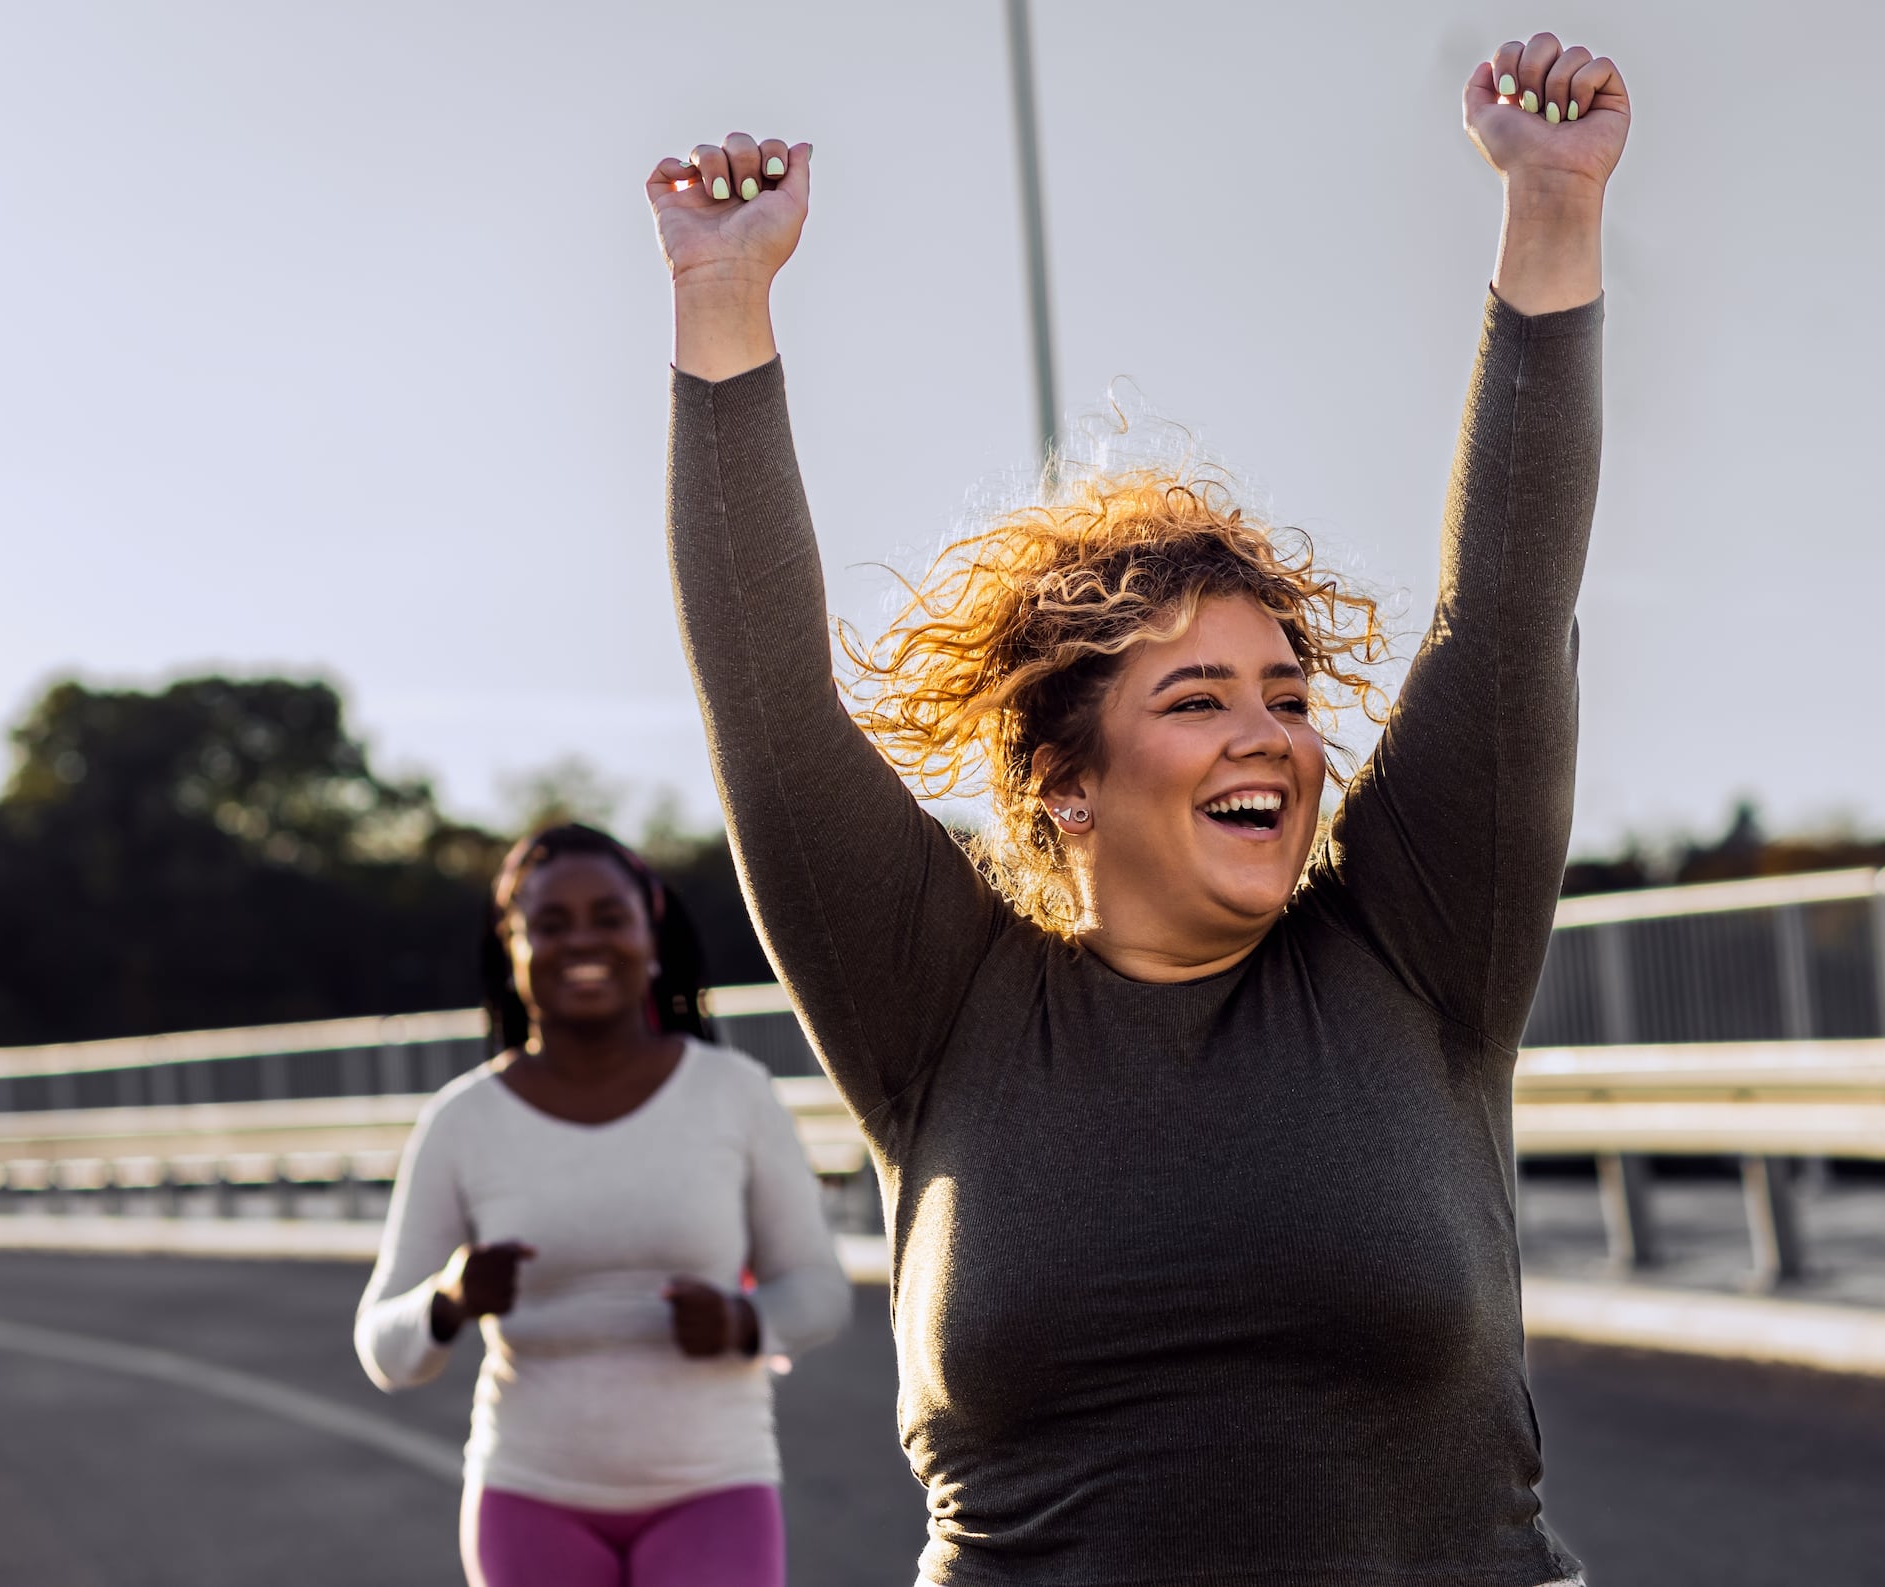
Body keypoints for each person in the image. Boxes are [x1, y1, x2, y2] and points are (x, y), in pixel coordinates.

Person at [646, 29, 1626, 1587]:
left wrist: (1553, 208)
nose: (1272, 738)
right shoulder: (938, 1006)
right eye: (1199, 699)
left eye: (1288, 695)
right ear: (1067, 782)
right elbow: (767, 713)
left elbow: (1504, 614)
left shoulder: (1417, 948)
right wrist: (721, 300)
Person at [353, 823, 850, 1587]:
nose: (582, 940)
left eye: (609, 917)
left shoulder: (735, 1094)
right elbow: (383, 1348)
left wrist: (743, 1321)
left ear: (650, 934)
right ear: (513, 946)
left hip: (715, 1488)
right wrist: (447, 1300)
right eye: (551, 924)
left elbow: (820, 1291)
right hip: (528, 1498)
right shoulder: (461, 1122)